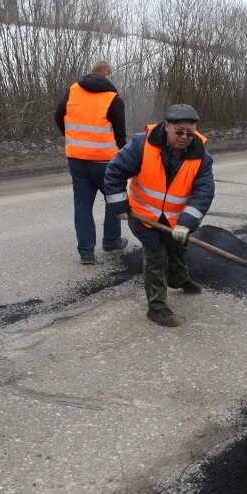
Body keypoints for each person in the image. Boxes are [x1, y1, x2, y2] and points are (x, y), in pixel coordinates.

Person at [103, 104, 215, 327]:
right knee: (156, 255)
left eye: (190, 133)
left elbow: (204, 191)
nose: (185, 137)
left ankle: (179, 279)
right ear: (166, 127)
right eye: (179, 132)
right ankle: (157, 308)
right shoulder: (141, 144)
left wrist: (186, 223)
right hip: (143, 215)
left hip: (174, 219)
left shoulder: (201, 156)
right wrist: (119, 206)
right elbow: (115, 171)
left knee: (178, 247)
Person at [54, 60, 128, 264]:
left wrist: (69, 135)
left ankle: (86, 252)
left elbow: (58, 115)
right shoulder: (113, 98)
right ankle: (111, 241)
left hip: (77, 158)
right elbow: (120, 136)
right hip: (105, 161)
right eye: (111, 74)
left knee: (82, 204)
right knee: (113, 200)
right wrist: (125, 158)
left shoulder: (73, 90)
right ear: (106, 73)